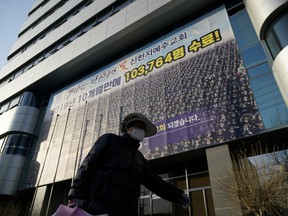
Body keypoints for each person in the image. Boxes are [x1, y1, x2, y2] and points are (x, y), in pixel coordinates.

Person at [68, 113, 190, 216]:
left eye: (143, 129)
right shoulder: (109, 140)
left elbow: (156, 183)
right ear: (128, 128)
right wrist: (76, 195)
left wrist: (178, 195)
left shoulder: (140, 159)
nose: (141, 131)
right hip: (96, 208)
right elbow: (87, 166)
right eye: (138, 127)